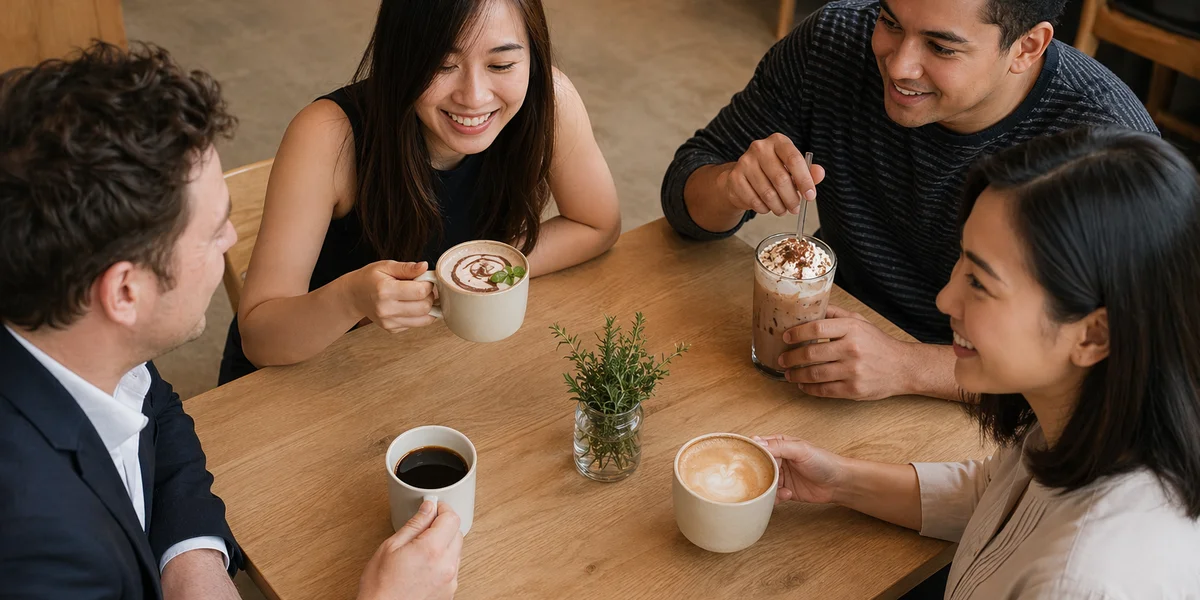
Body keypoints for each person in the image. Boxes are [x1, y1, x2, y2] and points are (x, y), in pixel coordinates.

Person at [0, 43, 462, 600]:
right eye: (214, 230)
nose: (232, 242)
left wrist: (193, 562)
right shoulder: (41, 550)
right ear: (124, 291)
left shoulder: (74, 335)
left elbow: (152, 408)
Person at [755, 127, 1200, 597]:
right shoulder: (1081, 417)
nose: (946, 299)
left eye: (981, 284)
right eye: (961, 263)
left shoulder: (1085, 581)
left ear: (1094, 334)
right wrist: (837, 480)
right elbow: (991, 496)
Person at [661, 0, 1158, 402]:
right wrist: (730, 185)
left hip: (990, 407)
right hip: (819, 340)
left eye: (941, 48)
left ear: (1027, 46)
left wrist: (908, 367)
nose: (898, 65)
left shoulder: (1105, 145)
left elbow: (1122, 367)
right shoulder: (832, 43)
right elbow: (684, 198)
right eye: (890, 21)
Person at [220, 0, 621, 383]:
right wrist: (351, 299)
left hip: (424, 363)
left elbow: (596, 224)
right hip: (303, 375)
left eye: (501, 64)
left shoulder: (550, 98)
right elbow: (259, 336)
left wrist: (485, 276)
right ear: (400, 56)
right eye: (443, 65)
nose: (474, 96)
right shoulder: (329, 135)